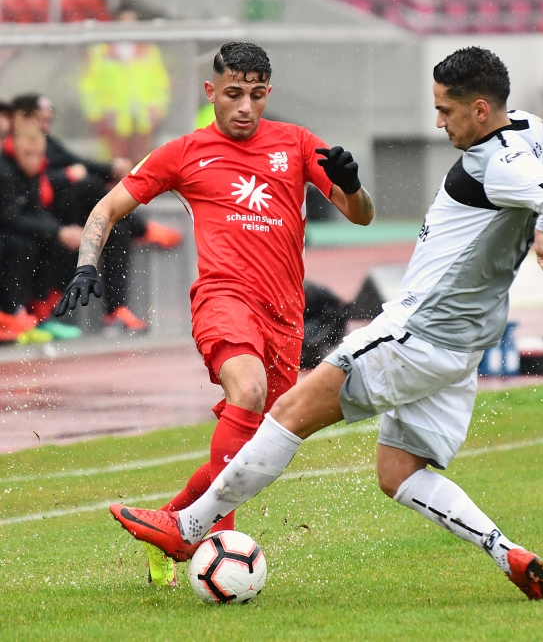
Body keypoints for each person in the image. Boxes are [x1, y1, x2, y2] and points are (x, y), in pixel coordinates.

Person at [107, 46, 543, 601]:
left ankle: (189, 527)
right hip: (463, 352)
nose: (438, 122)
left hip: (415, 333)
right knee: (399, 473)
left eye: (445, 110)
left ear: (480, 109)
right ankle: (507, 552)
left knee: (287, 414)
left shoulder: (499, 165)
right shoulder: (531, 130)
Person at [55, 42, 374, 585]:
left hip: (285, 318)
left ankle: (169, 525)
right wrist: (87, 264)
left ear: (268, 93)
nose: (245, 107)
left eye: (256, 95)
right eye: (233, 94)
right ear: (211, 92)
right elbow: (107, 208)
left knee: (259, 451)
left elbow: (361, 215)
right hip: (223, 299)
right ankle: (216, 540)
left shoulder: (297, 143)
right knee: (246, 391)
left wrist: (352, 184)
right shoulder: (184, 152)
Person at [9, 94, 177, 333]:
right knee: (87, 187)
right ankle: (140, 226)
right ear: (20, 118)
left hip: (55, 215)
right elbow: (20, 199)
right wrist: (64, 180)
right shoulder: (11, 149)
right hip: (46, 217)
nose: (45, 126)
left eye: (48, 120)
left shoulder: (44, 140)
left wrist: (110, 169)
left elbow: (72, 161)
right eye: (40, 120)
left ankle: (116, 311)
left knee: (115, 227)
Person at [0, 125, 82, 342]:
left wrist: (62, 231)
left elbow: (35, 211)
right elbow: (10, 218)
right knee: (20, 245)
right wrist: (58, 231)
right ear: (15, 151)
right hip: (8, 234)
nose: (33, 160)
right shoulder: (4, 172)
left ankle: (40, 312)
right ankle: (11, 314)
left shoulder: (33, 173)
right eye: (27, 154)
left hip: (14, 231)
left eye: (38, 155)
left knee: (55, 242)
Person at [78, 9, 171, 164]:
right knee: (116, 162)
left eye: (133, 22)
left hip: (142, 116)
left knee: (142, 161)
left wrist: (158, 108)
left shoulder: (149, 50)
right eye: (125, 22)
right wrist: (96, 114)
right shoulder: (100, 52)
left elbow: (161, 83)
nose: (129, 26)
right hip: (113, 116)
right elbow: (88, 87)